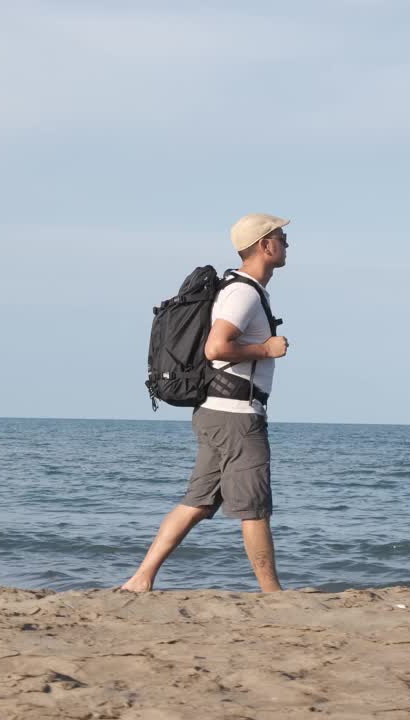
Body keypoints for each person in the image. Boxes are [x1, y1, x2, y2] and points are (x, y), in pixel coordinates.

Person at [122, 213, 290, 593]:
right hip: (236, 418)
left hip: (217, 414)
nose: (287, 243)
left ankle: (140, 578)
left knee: (197, 502)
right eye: (281, 236)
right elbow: (216, 348)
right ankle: (273, 594)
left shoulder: (241, 289)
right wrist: (267, 348)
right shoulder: (243, 293)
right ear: (265, 245)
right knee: (255, 508)